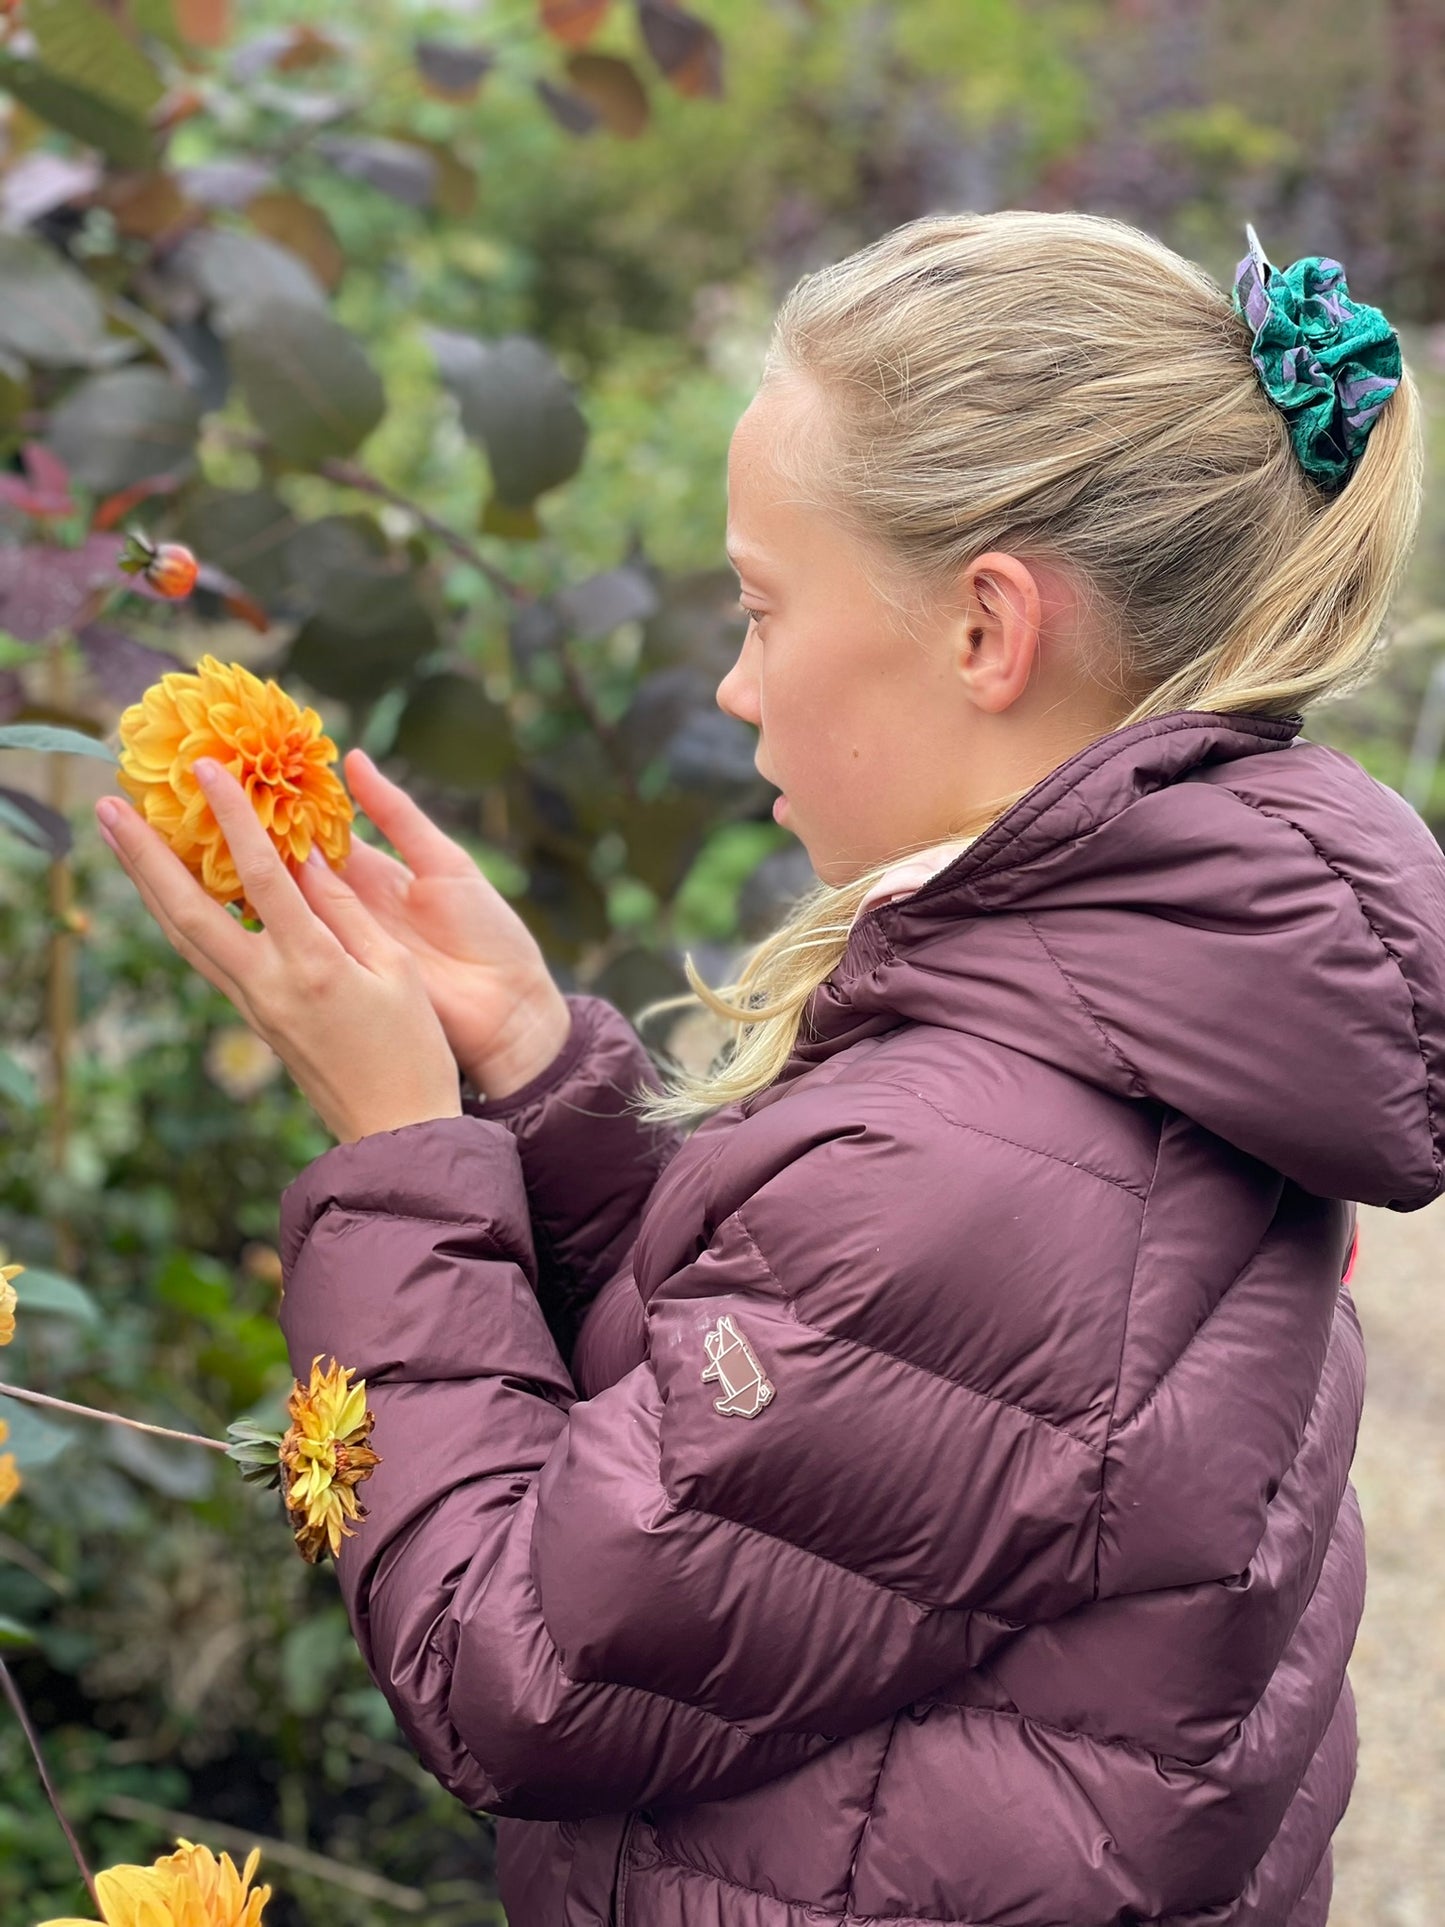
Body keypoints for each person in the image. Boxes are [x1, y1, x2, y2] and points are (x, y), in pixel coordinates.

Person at [93, 210, 1445, 1926]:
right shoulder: (1156, 993)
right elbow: (832, 1420)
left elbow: (513, 1664)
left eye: (760, 605)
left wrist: (396, 1160)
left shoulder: (980, 1154)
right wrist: (530, 1082)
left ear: (984, 632)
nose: (734, 684)